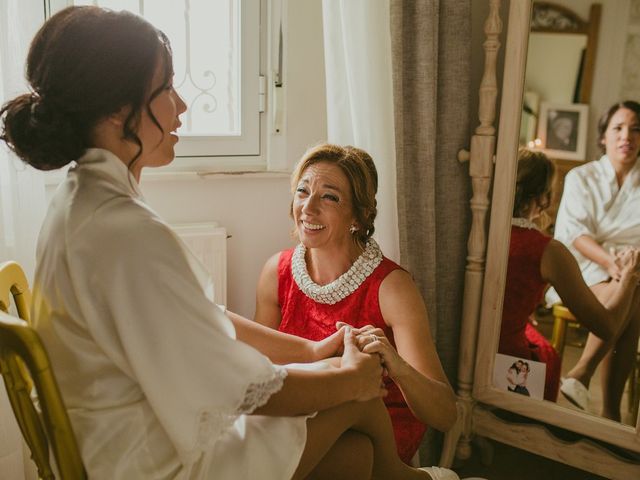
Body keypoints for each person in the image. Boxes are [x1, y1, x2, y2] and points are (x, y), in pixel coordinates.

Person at [0, 7, 457, 480]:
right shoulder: (125, 232)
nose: (181, 106)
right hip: (146, 465)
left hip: (112, 443)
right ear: (119, 110)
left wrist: (311, 353)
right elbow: (236, 391)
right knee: (356, 404)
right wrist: (351, 379)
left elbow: (203, 321)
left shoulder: (80, 204)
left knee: (355, 458)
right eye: (166, 90)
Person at [254, 143, 457, 464]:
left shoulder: (392, 288)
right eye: (303, 191)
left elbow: (446, 415)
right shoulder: (275, 273)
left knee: (346, 456)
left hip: (375, 425)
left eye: (329, 197)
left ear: (359, 216)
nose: (308, 208)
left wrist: (398, 367)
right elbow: (259, 369)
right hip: (303, 411)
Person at [500, 148, 640, 403]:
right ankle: (598, 396)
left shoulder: (477, 232)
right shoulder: (547, 251)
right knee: (547, 356)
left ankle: (586, 381)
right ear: (545, 199)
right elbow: (606, 328)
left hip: (458, 352)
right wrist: (629, 277)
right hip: (507, 368)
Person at [547, 101, 640, 421]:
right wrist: (615, 265)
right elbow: (575, 234)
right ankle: (609, 411)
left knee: (632, 287)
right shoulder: (580, 177)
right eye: (618, 128)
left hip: (634, 266)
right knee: (631, 293)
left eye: (636, 129)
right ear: (604, 136)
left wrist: (629, 266)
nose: (626, 136)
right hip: (584, 265)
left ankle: (581, 375)